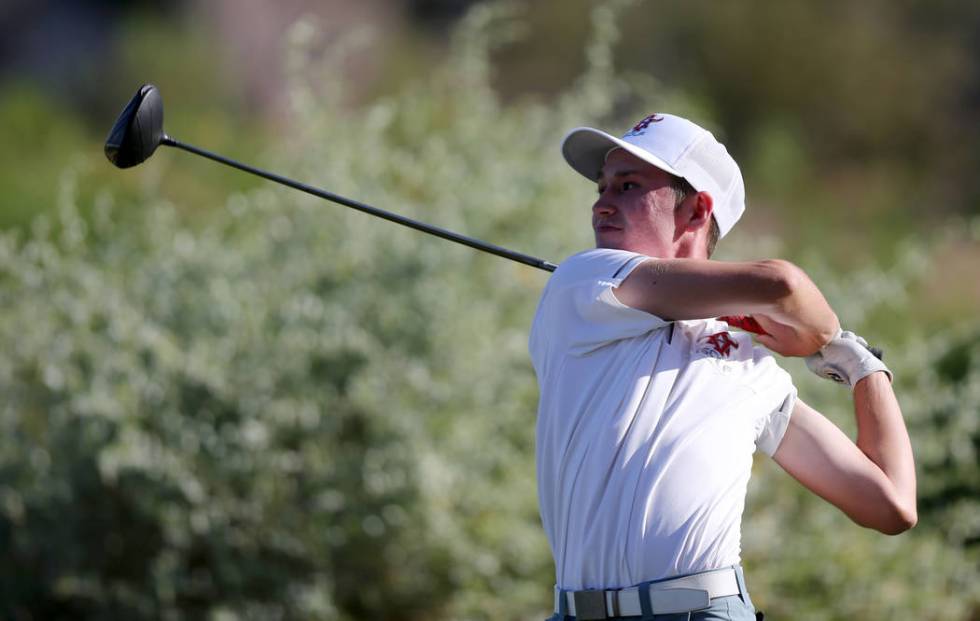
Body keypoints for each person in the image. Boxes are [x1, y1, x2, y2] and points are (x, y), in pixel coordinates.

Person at [529, 113, 917, 620]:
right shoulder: (583, 282)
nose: (602, 203)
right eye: (602, 187)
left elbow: (890, 505)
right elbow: (784, 286)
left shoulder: (752, 367)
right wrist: (819, 337)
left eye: (628, 186)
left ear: (696, 210)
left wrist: (860, 364)